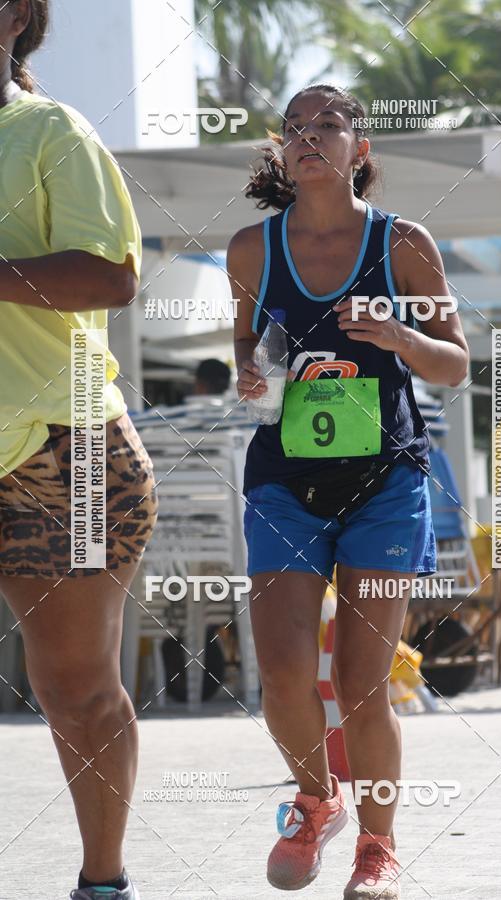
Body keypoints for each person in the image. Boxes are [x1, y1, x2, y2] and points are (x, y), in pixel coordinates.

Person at [228, 83, 469, 899]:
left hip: (385, 483)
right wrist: (250, 374)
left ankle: (378, 849)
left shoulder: (404, 242)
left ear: (360, 150)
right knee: (286, 677)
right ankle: (315, 795)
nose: (310, 136)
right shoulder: (251, 250)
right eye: (295, 126)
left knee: (364, 684)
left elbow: (458, 364)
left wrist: (398, 335)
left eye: (329, 124)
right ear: (281, 153)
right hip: (285, 483)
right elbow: (246, 355)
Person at [0, 3, 157, 898]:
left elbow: (112, 276)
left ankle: (105, 883)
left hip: (67, 457)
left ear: (18, 16)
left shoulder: (51, 130)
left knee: (74, 690)